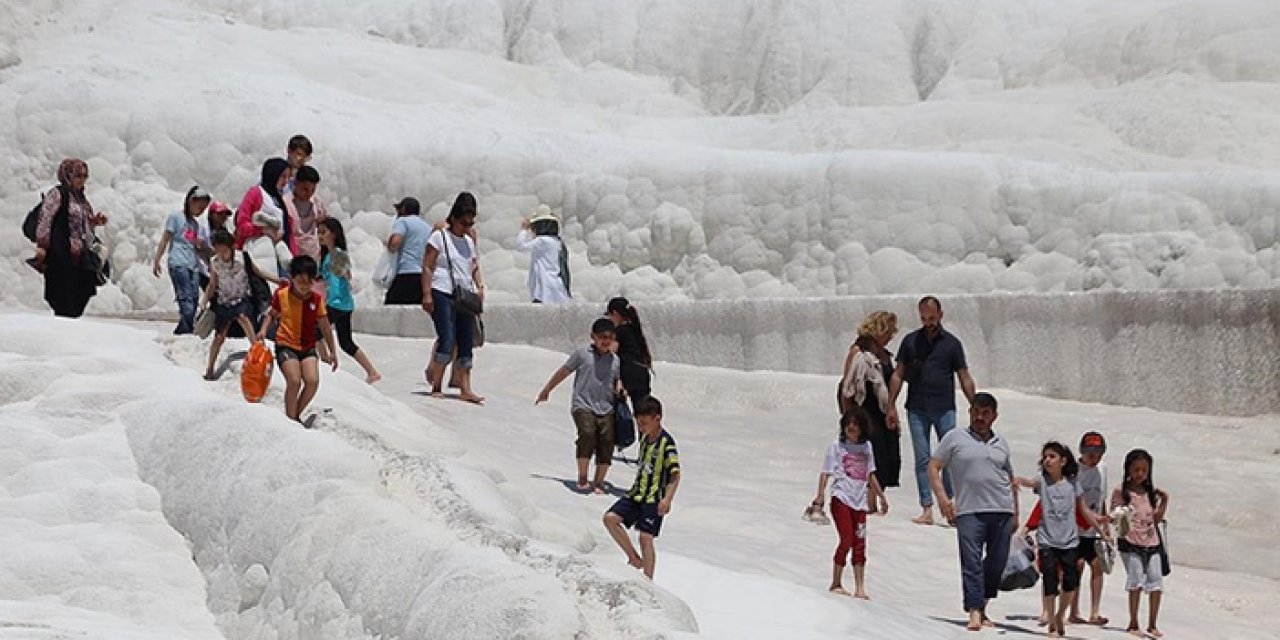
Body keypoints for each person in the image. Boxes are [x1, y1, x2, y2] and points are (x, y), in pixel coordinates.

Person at [928, 392, 1018, 632]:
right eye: (975, 411)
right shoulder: (955, 437)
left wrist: (1015, 512)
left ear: (994, 416)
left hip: (1001, 508)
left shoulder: (1002, 443)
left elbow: (1010, 478)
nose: (979, 417)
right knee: (971, 561)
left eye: (985, 412)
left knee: (997, 562)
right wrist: (943, 499)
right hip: (969, 509)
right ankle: (974, 611)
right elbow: (934, 466)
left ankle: (983, 604)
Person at [889, 296, 978, 526]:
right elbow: (898, 373)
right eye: (923, 318)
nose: (928, 322)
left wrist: (975, 403)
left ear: (940, 314)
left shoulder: (951, 344)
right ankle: (927, 508)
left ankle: (949, 505)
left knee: (948, 458)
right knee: (922, 459)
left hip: (944, 408)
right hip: (917, 408)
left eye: (931, 317)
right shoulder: (910, 342)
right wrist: (890, 404)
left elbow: (964, 376)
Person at [1013, 442, 1109, 638]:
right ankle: (1051, 620)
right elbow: (1029, 482)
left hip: (1070, 542)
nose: (1048, 460)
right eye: (1046, 456)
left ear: (1063, 461)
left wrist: (1102, 531)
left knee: (1070, 582)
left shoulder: (1074, 484)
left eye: (1052, 456)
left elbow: (1085, 511)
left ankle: (1060, 614)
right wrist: (1016, 481)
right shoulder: (1042, 480)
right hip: (1048, 540)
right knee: (1049, 580)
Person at [535, 318, 622, 494]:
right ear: (593, 337)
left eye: (610, 338)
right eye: (602, 337)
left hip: (606, 406)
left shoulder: (615, 360)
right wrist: (547, 389)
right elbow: (564, 371)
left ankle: (598, 482)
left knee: (607, 441)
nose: (606, 341)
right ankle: (583, 476)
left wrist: (620, 388)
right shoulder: (582, 354)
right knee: (587, 434)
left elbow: (616, 380)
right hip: (582, 404)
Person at [812, 405, 888, 600]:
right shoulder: (836, 446)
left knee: (860, 543)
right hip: (841, 499)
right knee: (846, 539)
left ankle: (860, 587)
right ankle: (836, 582)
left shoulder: (867, 447)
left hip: (860, 502)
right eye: (848, 424)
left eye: (855, 424)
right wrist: (820, 497)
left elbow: (870, 474)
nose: (851, 428)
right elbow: (825, 473)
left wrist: (881, 496)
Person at [603, 396, 680, 580]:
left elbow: (675, 474)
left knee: (646, 538)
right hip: (636, 494)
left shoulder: (666, 443)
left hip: (654, 499)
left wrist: (667, 499)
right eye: (639, 423)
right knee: (610, 519)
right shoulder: (645, 439)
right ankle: (633, 558)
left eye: (645, 423)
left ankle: (648, 580)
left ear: (657, 418)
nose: (642, 427)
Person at [256, 256, 338, 423]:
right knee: (294, 381)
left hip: (307, 347)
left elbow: (325, 327)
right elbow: (271, 315)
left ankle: (293, 418)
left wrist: (332, 351)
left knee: (312, 381)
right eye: (300, 282)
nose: (304, 287)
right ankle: (291, 419)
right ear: (292, 278)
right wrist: (263, 331)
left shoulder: (316, 300)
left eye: (308, 283)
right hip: (286, 344)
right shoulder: (282, 295)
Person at [420, 192, 484, 403]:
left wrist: (480, 286)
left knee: (466, 340)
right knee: (447, 338)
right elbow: (428, 266)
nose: (467, 226)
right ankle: (436, 384)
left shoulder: (469, 240)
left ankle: (465, 388)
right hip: (442, 291)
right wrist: (427, 294)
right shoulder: (439, 236)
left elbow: (473, 266)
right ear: (454, 218)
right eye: (464, 222)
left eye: (470, 222)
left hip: (465, 294)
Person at [32, 158, 108, 318]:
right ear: (67, 175)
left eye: (85, 176)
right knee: (63, 300)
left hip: (80, 259)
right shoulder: (57, 194)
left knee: (79, 297)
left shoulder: (81, 198)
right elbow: (45, 220)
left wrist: (94, 222)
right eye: (78, 175)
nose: (82, 179)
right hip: (61, 257)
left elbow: (82, 226)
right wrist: (42, 247)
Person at [839, 310, 901, 491]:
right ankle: (867, 500)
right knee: (871, 455)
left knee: (888, 457)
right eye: (889, 331)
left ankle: (876, 498)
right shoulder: (858, 352)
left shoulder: (885, 355)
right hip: (865, 411)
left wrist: (891, 408)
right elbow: (847, 387)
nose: (891, 335)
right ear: (879, 330)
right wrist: (849, 419)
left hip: (883, 411)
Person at [1112, 449, 1169, 639]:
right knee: (1135, 581)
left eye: (1144, 470)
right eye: (1136, 470)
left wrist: (1164, 501)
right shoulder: (1121, 491)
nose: (1140, 474)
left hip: (1152, 541)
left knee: (1156, 582)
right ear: (1128, 469)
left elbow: (1156, 519)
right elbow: (1115, 517)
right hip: (1131, 542)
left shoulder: (1150, 492)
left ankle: (1152, 624)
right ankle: (1133, 622)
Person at [318, 217, 381, 384]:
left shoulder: (338, 254)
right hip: (343, 304)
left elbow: (345, 275)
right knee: (346, 343)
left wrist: (342, 271)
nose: (320, 236)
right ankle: (372, 371)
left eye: (323, 232)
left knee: (316, 332)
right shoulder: (328, 256)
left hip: (336, 303)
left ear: (334, 233)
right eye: (319, 233)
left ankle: (324, 363)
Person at [199, 229, 258, 380]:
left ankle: (256, 349)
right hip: (224, 301)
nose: (221, 253)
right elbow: (212, 284)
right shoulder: (214, 262)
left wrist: (277, 280)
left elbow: (258, 272)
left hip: (241, 298)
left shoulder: (242, 257)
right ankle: (210, 368)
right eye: (218, 249)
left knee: (243, 317)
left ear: (230, 247)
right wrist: (204, 300)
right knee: (219, 337)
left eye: (223, 249)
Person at [152, 186, 212, 334]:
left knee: (194, 297)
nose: (201, 211)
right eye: (200, 207)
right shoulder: (175, 217)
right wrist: (157, 260)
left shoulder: (195, 224)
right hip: (178, 263)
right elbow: (165, 239)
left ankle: (182, 329)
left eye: (203, 209)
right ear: (191, 201)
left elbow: (195, 247)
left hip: (193, 265)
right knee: (185, 298)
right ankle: (187, 329)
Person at [1070, 432, 1111, 626]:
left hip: (1094, 529)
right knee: (1076, 567)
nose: (1094, 457)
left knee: (1097, 567)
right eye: (1090, 453)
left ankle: (1095, 612)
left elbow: (1102, 498)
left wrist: (1106, 527)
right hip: (1076, 529)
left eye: (1098, 453)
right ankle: (1073, 611)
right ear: (1082, 451)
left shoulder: (1103, 468)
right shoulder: (1074, 471)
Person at [234, 157, 293, 283]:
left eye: (288, 177)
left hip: (276, 252)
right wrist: (262, 230)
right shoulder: (255, 193)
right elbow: (241, 223)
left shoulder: (278, 198)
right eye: (283, 176)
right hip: (258, 250)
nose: (286, 181)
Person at [515, 204, 571, 303]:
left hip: (544, 286)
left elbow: (521, 246)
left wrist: (523, 230)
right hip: (556, 285)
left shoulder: (542, 241)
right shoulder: (556, 241)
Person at [605, 297, 653, 411]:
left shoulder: (620, 331)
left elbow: (611, 351)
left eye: (609, 315)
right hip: (642, 375)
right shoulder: (634, 329)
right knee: (643, 412)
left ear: (615, 314)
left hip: (628, 375)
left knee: (617, 412)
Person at [384, 196, 430, 305]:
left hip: (406, 273)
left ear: (404, 209)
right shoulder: (427, 227)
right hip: (423, 277)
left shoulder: (403, 221)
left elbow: (394, 243)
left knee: (390, 307)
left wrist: (388, 245)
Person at [286, 165, 328, 263]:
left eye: (312, 190)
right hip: (293, 258)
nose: (309, 194)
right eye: (305, 189)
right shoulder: (285, 204)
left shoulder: (317, 203)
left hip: (314, 257)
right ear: (296, 183)